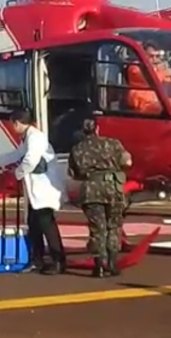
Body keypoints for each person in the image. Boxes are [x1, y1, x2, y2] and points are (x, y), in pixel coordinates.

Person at [0, 109, 67, 275]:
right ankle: (38, 259)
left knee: (47, 224)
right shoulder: (28, 137)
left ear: (17, 123)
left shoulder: (36, 137)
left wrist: (17, 173)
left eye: (12, 124)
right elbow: (16, 154)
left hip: (44, 189)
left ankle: (58, 261)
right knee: (33, 223)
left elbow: (30, 160)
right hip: (36, 190)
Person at [68, 116, 132, 278]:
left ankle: (100, 266)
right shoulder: (112, 143)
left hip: (90, 190)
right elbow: (127, 163)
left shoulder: (77, 149)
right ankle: (112, 263)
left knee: (97, 228)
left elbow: (73, 173)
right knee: (114, 225)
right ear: (97, 128)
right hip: (113, 189)